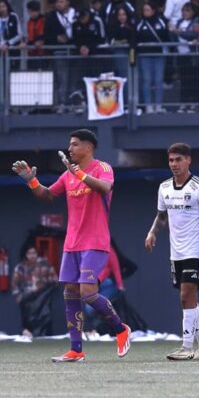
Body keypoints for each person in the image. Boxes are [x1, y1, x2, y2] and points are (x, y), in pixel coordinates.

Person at [11, 129, 132, 362]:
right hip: (72, 243)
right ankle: (76, 349)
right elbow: (47, 195)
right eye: (70, 145)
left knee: (88, 293)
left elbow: (105, 188)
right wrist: (31, 180)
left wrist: (81, 175)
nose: (70, 149)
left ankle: (120, 329)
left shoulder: (102, 168)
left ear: (88, 147)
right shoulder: (67, 176)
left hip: (95, 241)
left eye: (75, 145)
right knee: (70, 292)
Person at [145, 143, 199, 360]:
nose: (174, 164)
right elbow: (162, 216)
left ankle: (186, 347)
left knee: (186, 296)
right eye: (171, 160)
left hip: (196, 250)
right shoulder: (164, 187)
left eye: (178, 160)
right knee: (189, 298)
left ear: (188, 160)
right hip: (176, 253)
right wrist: (152, 232)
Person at [11, 247, 57, 335]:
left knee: (45, 319)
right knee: (27, 325)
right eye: (29, 253)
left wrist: (41, 283)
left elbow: (55, 279)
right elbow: (14, 284)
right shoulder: (20, 267)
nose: (32, 256)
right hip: (27, 299)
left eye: (34, 253)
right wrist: (18, 297)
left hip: (42, 298)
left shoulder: (45, 264)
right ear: (25, 254)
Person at [136, 2, 169, 114]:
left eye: (148, 9)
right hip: (145, 56)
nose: (146, 12)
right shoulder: (140, 23)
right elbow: (136, 37)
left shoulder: (161, 22)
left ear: (153, 11)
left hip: (158, 56)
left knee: (158, 80)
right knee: (147, 80)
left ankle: (158, 105)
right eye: (144, 10)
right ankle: (148, 106)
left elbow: (166, 37)